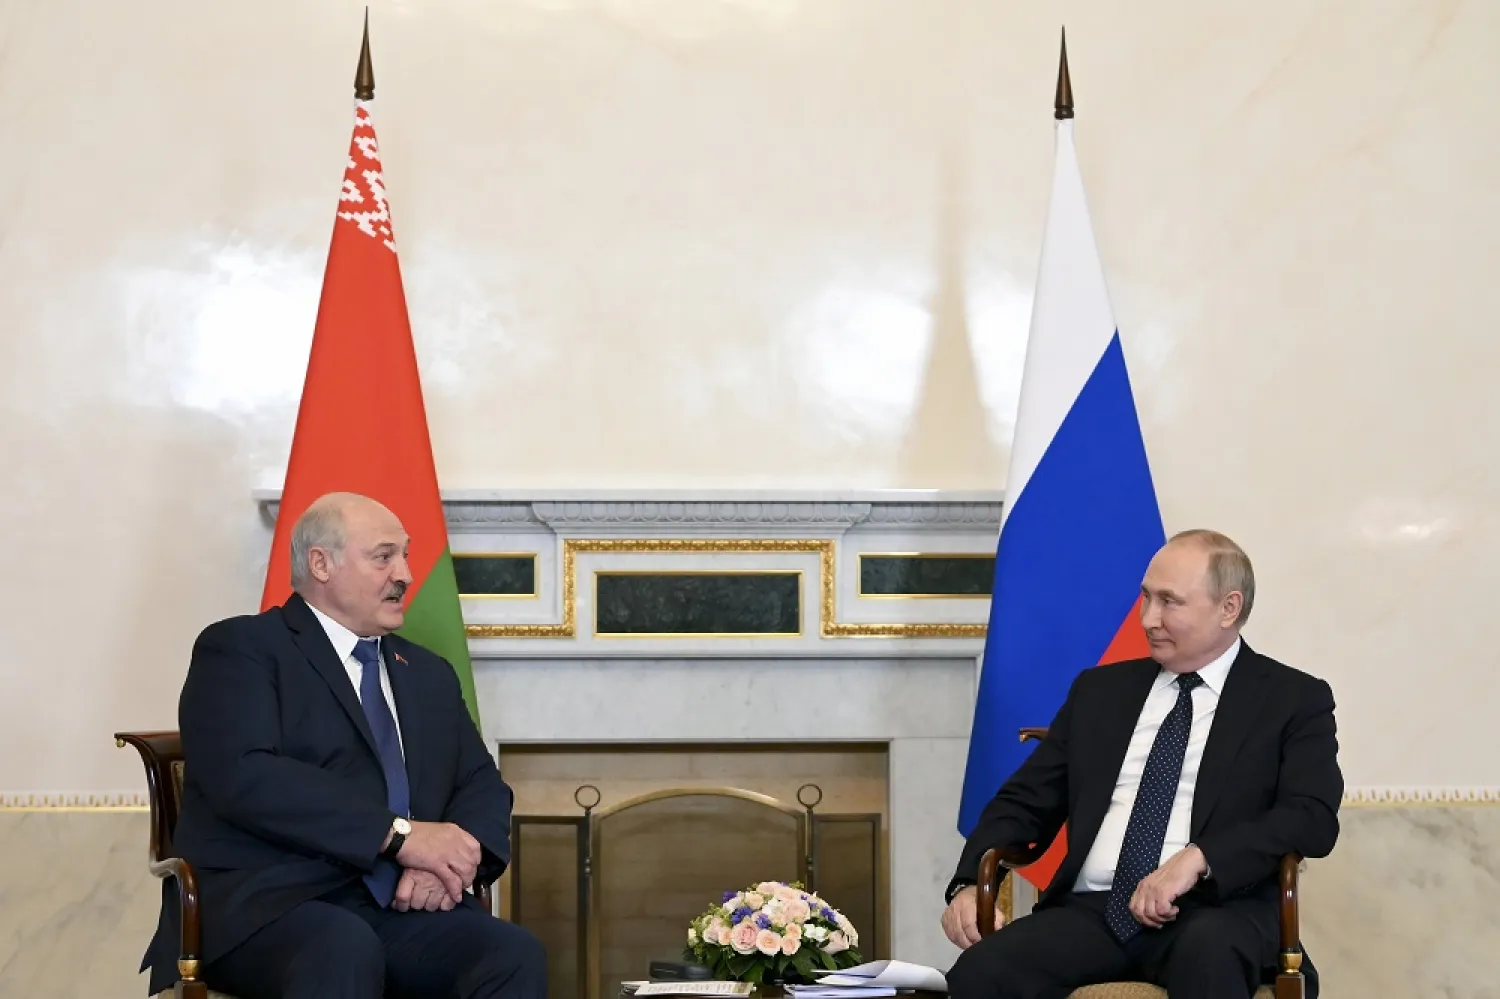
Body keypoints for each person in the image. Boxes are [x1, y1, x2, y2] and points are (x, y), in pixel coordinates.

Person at [141, 492, 546, 999]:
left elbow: (480, 783)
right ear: (321, 563)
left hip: (398, 905)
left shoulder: (426, 673)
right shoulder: (243, 649)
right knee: (342, 946)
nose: (405, 573)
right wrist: (401, 837)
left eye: (405, 555)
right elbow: (246, 777)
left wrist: (447, 863)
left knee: (510, 954)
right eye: (383, 556)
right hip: (272, 906)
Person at [942, 530, 1342, 999]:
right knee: (981, 972)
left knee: (1209, 955)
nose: (1148, 619)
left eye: (1170, 602)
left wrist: (1200, 858)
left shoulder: (1292, 699)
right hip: (1094, 912)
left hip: (1217, 912)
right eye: (1146, 598)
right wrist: (968, 882)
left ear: (1228, 608)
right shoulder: (1100, 692)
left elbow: (1311, 816)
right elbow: (1025, 800)